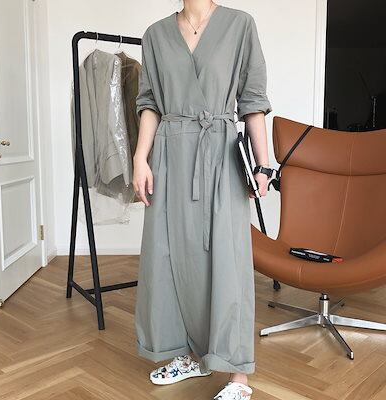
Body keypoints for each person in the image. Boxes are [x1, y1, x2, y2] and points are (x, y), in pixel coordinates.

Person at [132, 1, 272, 399]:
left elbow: (253, 102)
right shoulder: (156, 35)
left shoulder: (240, 25)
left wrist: (263, 165)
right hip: (170, 154)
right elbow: (149, 104)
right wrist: (141, 158)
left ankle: (238, 374)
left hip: (222, 153)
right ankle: (188, 353)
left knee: (228, 259)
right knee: (170, 256)